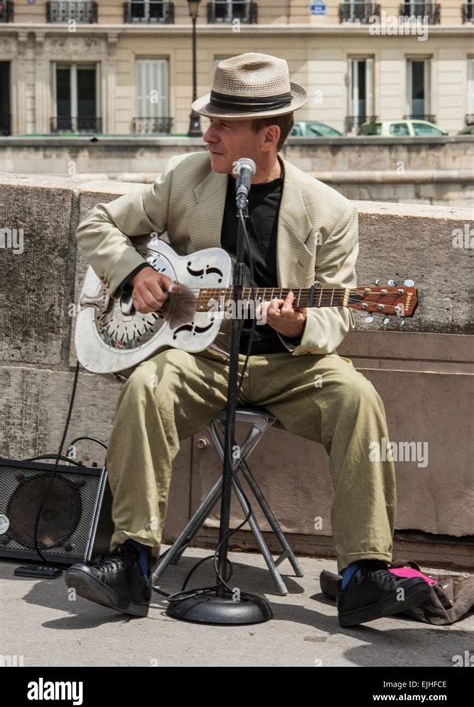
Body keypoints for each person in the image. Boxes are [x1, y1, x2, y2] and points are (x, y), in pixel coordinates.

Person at [66, 53, 431, 626]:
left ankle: (364, 572)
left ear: (268, 135)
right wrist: (135, 273)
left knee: (358, 399)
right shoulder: (188, 179)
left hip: (290, 367)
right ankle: (131, 562)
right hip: (202, 356)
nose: (206, 133)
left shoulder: (329, 210)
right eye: (209, 120)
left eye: (223, 125)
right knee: (145, 388)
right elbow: (97, 224)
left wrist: (299, 323)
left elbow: (340, 310)